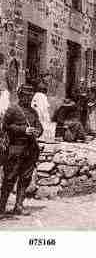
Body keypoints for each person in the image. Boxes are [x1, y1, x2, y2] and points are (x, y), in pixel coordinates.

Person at [0, 84, 42, 216]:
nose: (28, 99)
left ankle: (18, 205)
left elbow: (39, 127)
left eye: (30, 96)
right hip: (15, 150)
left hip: (30, 150)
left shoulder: (33, 112)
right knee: (9, 179)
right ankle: (1, 207)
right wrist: (24, 130)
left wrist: (37, 132)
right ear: (20, 96)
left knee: (25, 178)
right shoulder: (13, 109)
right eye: (25, 96)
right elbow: (5, 127)